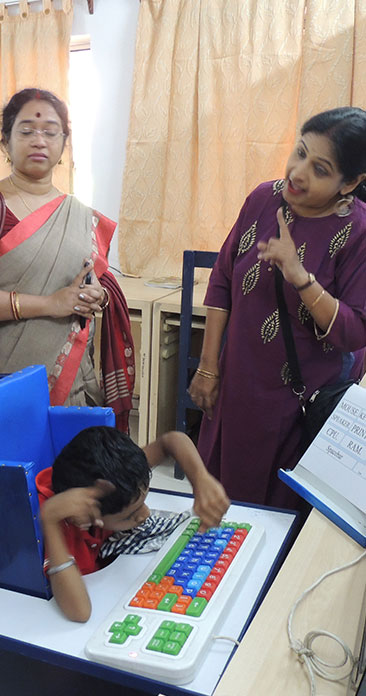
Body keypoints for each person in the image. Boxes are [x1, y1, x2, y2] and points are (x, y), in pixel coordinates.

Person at [189, 107, 366, 509]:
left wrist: (300, 276)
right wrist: (208, 367)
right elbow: (222, 280)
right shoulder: (262, 199)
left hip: (299, 403)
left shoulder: (358, 231)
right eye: (300, 152)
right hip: (237, 386)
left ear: (350, 182)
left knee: (277, 513)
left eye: (320, 169)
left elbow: (355, 331)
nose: (298, 173)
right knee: (220, 500)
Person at [0, 88, 134, 429]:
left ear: (64, 144)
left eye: (50, 132)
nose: (39, 141)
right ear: (6, 142)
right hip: (5, 379)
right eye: (27, 131)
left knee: (72, 462)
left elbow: (95, 281)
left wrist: (97, 296)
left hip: (74, 379)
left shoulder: (79, 214)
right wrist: (49, 304)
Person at [36, 426, 230, 622]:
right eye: (130, 516)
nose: (145, 514)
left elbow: (172, 441)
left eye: (142, 503)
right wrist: (50, 519)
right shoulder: (69, 520)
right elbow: (79, 612)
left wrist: (201, 479)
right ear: (87, 515)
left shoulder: (118, 480)